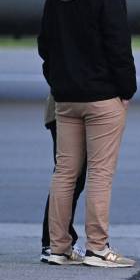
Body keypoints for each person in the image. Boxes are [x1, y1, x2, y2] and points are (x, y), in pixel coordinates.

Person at [37, 0, 137, 267]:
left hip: (66, 98)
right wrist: (126, 90)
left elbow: (44, 47)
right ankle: (98, 247)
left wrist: (59, 82)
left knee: (64, 173)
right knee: (99, 173)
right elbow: (119, 49)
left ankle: (58, 247)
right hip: (102, 97)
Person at [40, 94, 87, 263]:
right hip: (69, 107)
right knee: (69, 177)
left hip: (66, 104)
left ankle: (56, 241)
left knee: (69, 177)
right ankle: (53, 242)